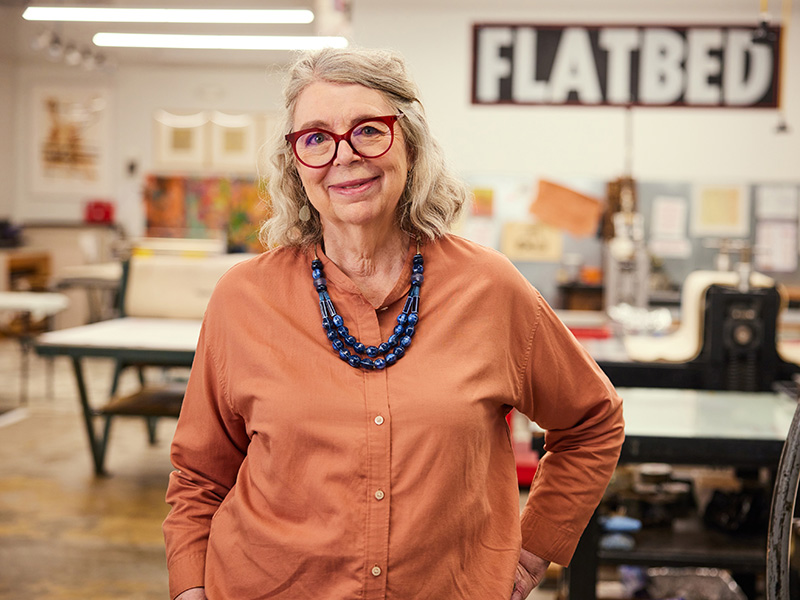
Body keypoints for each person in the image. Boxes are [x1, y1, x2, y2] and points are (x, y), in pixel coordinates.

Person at [163, 46, 624, 600]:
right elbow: (198, 477)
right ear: (295, 164)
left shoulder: (490, 289)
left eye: (367, 130)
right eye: (315, 138)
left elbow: (592, 421)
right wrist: (191, 589)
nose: (344, 156)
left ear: (408, 142)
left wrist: (531, 552)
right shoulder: (244, 298)